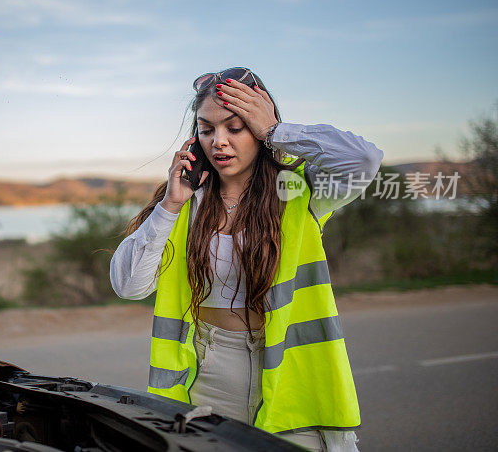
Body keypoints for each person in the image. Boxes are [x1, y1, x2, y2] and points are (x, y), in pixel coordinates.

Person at [109, 67, 383, 451]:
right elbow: (129, 286)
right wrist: (170, 204)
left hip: (292, 371)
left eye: (235, 127)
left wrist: (275, 131)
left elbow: (364, 160)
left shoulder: (299, 189)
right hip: (210, 371)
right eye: (207, 130)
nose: (219, 141)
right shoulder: (186, 200)